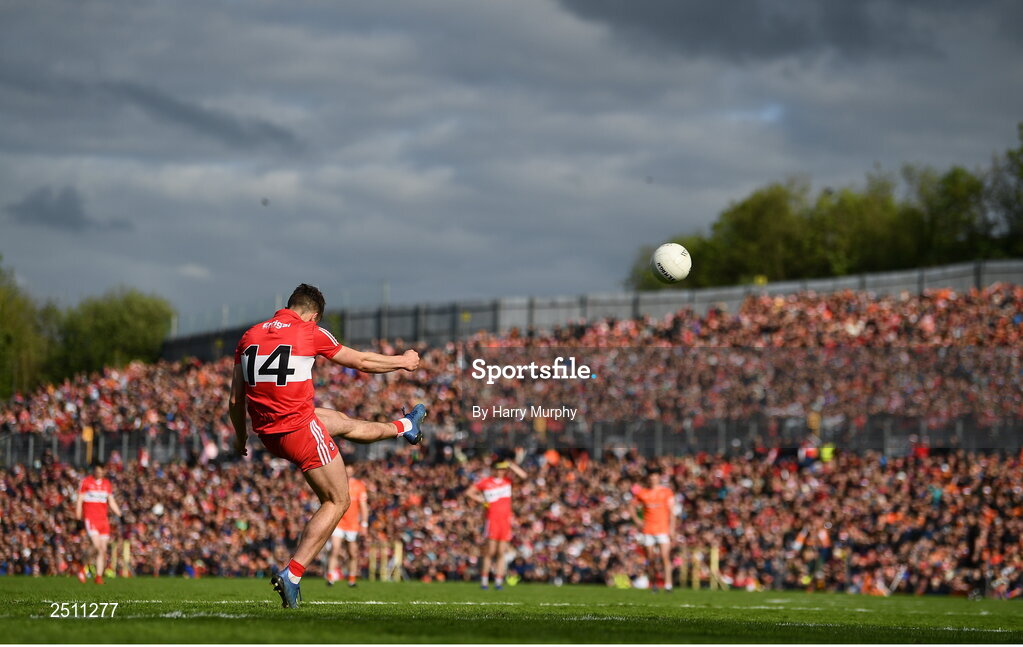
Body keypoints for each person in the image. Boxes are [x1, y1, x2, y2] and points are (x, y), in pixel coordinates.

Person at [229, 283, 427, 608]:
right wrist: (402, 361)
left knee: (339, 421)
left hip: (268, 430)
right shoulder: (310, 332)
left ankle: (406, 426)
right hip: (298, 430)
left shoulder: (249, 335)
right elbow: (361, 361)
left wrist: (240, 438)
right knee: (338, 500)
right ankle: (292, 575)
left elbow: (235, 399)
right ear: (314, 314)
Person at [466, 459, 526, 590]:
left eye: (503, 469)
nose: (501, 471)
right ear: (494, 469)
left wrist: (511, 465)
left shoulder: (508, 482)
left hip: (505, 521)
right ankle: (484, 581)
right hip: (492, 520)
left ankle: (498, 582)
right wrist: (481, 500)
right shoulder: (486, 482)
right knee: (490, 551)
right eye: (499, 469)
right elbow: (469, 492)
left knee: (501, 552)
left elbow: (523, 476)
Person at [75, 464, 122, 584]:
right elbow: (80, 499)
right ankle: (82, 566)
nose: (99, 474)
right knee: (96, 546)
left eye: (101, 472)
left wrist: (120, 514)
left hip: (103, 520)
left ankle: (98, 577)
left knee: (103, 549)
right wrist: (78, 515)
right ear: (94, 471)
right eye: (97, 471)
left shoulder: (107, 484)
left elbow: (111, 501)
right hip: (91, 518)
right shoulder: (86, 482)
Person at [630, 468, 676, 592]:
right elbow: (631, 506)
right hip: (648, 530)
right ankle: (654, 584)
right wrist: (637, 520)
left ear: (659, 478)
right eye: (651, 478)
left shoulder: (666, 492)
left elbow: (672, 512)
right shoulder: (642, 493)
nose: (653, 480)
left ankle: (668, 585)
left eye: (655, 478)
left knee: (665, 557)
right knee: (650, 559)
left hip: (662, 529)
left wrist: (672, 529)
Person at [327, 463, 368, 587]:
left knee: (352, 553)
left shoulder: (359, 486)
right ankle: (330, 577)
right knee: (335, 549)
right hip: (339, 522)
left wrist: (364, 524)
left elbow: (363, 507)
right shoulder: (337, 483)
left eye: (350, 470)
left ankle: (351, 579)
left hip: (353, 525)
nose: (348, 472)